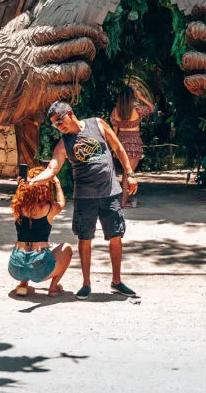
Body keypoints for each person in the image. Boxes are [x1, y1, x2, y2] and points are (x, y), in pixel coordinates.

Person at [29, 101, 139, 300]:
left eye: (60, 121)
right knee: (84, 238)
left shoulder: (97, 124)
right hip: (85, 197)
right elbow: (52, 168)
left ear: (70, 113)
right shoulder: (64, 144)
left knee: (115, 236)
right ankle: (86, 283)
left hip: (110, 192)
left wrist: (129, 173)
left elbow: (118, 148)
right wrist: (34, 180)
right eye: (55, 125)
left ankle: (117, 281)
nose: (59, 127)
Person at [8, 167, 72, 297]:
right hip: (38, 266)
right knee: (67, 248)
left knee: (25, 256)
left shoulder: (18, 206)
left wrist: (21, 185)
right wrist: (57, 184)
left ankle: (23, 285)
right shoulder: (49, 209)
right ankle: (53, 288)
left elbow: (19, 196)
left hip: (16, 266)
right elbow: (61, 202)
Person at [110, 86, 154, 208]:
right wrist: (141, 97)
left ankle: (125, 200)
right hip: (134, 141)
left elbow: (114, 131)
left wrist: (114, 146)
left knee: (126, 172)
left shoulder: (115, 111)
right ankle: (123, 202)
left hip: (121, 141)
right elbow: (151, 108)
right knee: (128, 173)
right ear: (131, 96)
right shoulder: (137, 109)